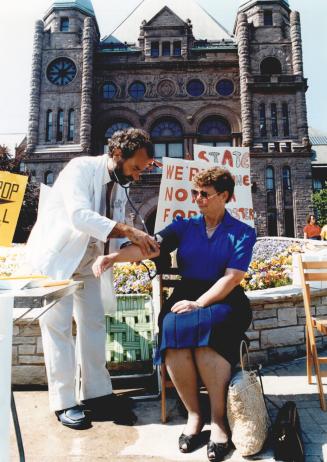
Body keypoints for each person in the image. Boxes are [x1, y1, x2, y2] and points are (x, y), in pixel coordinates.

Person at [93, 167, 256, 462]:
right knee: (172, 328)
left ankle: (219, 421)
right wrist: (111, 257)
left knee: (210, 332)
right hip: (186, 293)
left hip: (225, 298)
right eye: (194, 193)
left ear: (224, 196)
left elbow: (232, 277)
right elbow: (148, 248)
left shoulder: (242, 232)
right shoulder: (185, 226)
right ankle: (194, 417)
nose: (197, 199)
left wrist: (200, 303)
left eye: (204, 194)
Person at [25, 128, 159, 429]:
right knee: (58, 328)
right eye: (135, 168)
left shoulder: (120, 184)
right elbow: (79, 216)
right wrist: (128, 231)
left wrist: (135, 247)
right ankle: (64, 402)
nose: (137, 176)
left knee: (94, 323)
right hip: (56, 260)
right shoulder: (80, 169)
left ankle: (97, 394)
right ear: (116, 154)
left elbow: (115, 227)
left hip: (89, 262)